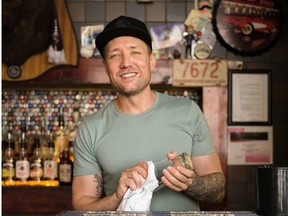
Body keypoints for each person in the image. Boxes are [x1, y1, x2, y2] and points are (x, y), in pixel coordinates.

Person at [72, 15, 225, 211]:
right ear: (105, 67)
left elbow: (218, 189)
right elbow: (81, 206)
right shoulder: (90, 128)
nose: (126, 63)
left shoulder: (188, 112)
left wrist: (191, 183)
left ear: (152, 61)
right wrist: (118, 196)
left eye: (135, 52)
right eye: (115, 55)